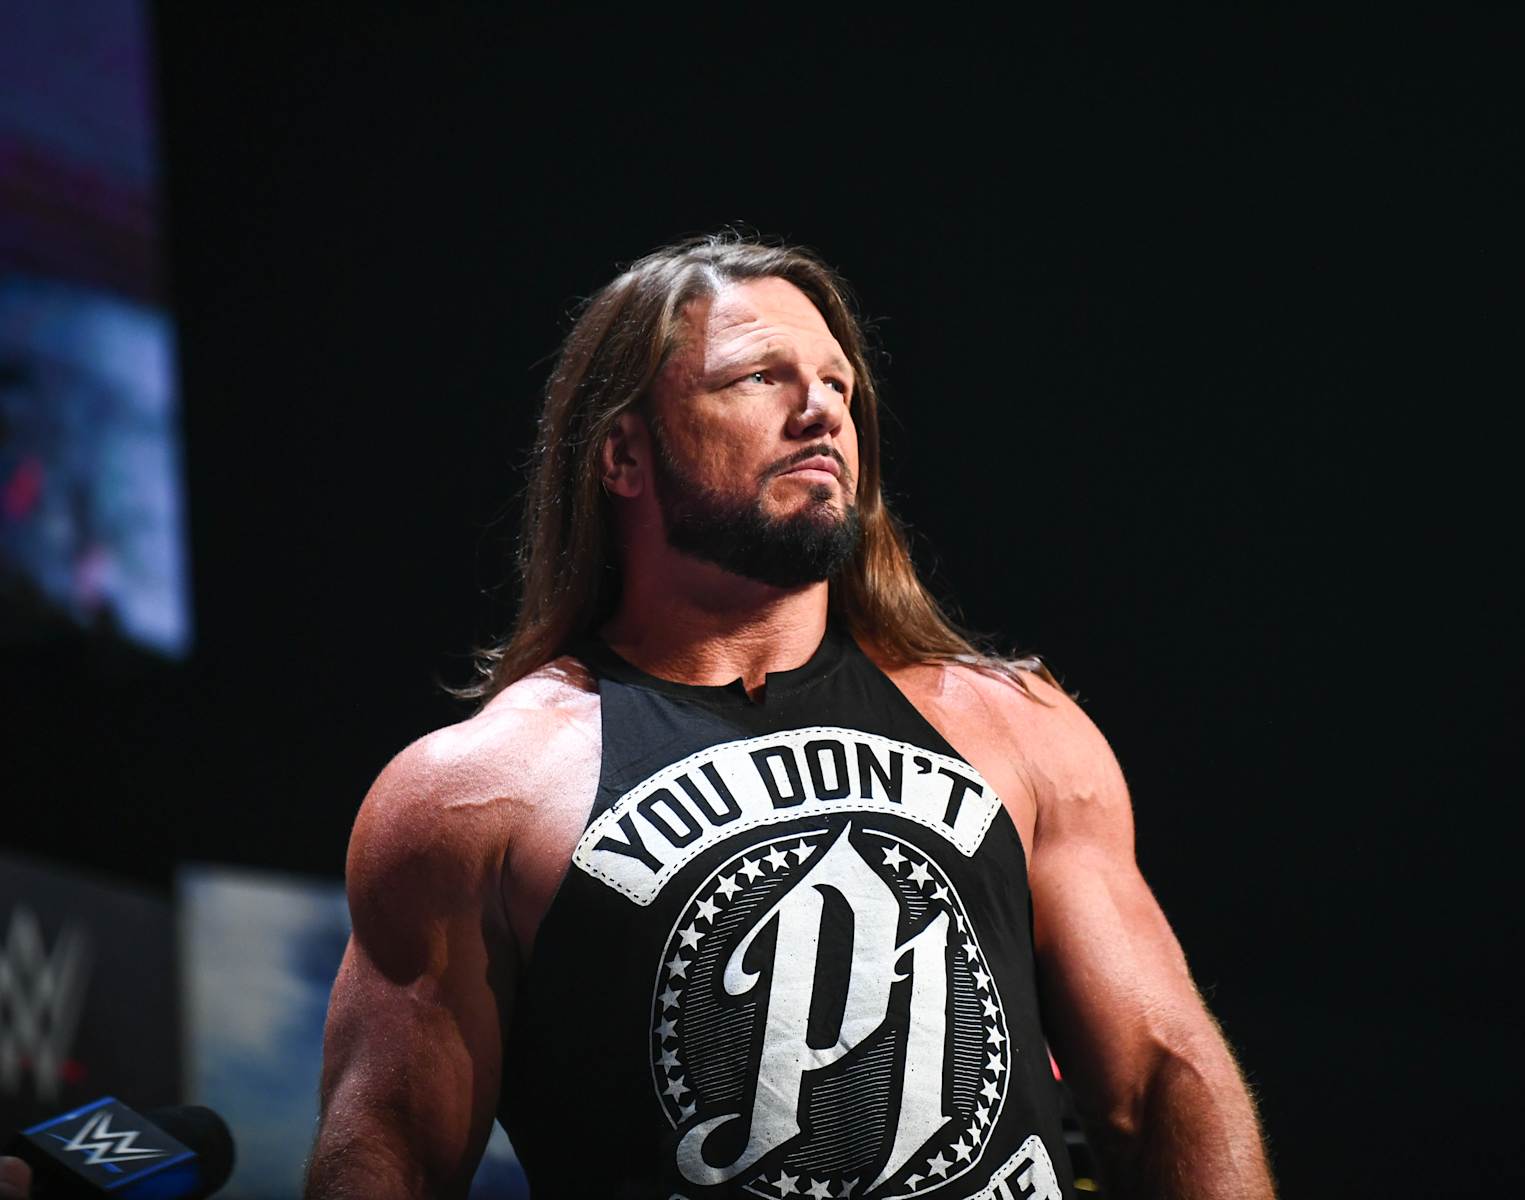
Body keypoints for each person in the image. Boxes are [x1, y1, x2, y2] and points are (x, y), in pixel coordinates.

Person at [0, 234, 1274, 1200]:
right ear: (622, 454)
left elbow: (1165, 1074)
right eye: (760, 377)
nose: (823, 409)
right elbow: (389, 1154)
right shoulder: (477, 792)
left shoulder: (1018, 729)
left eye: (838, 384)